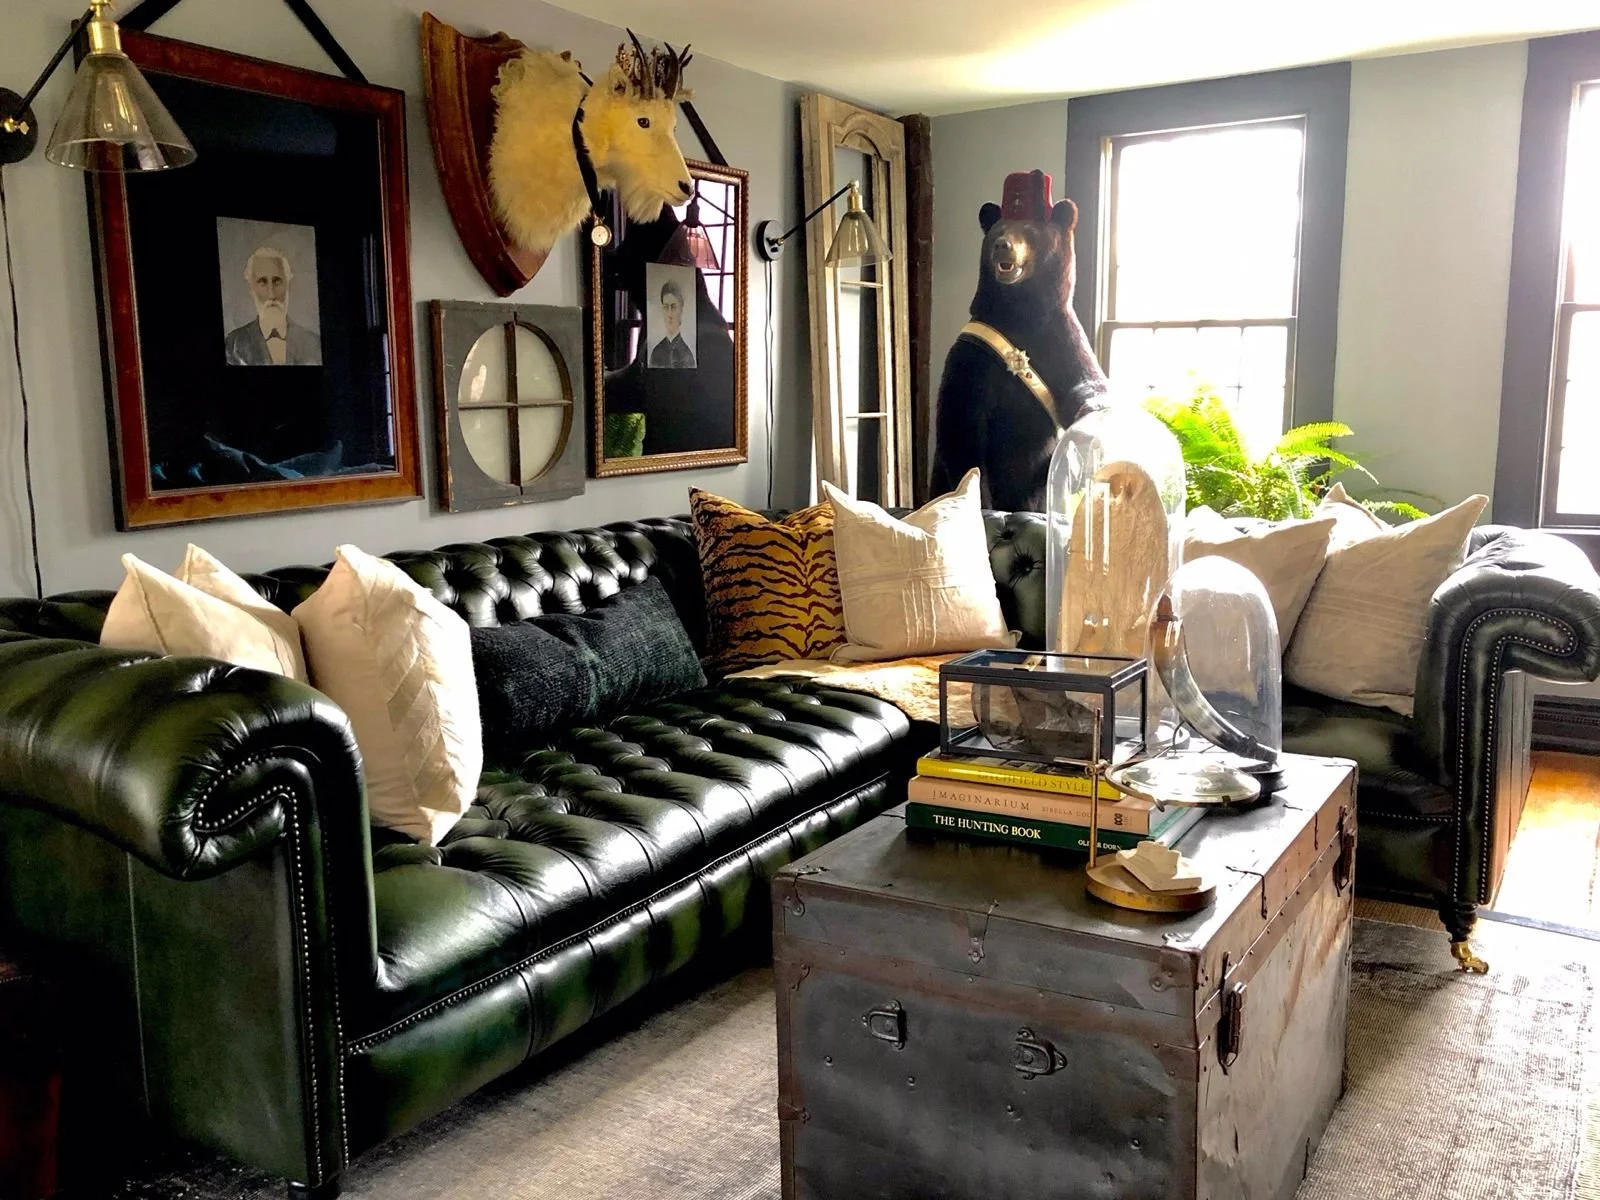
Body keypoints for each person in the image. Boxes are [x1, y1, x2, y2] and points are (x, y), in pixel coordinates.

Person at [224, 246, 322, 367]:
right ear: (251, 289)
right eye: (262, 282)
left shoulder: (313, 344)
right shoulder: (234, 345)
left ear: (288, 286)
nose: (271, 294)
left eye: (277, 281)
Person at [649, 277, 696, 369]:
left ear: (681, 309)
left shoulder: (687, 355)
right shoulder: (656, 352)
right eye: (666, 307)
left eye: (673, 307)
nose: (669, 314)